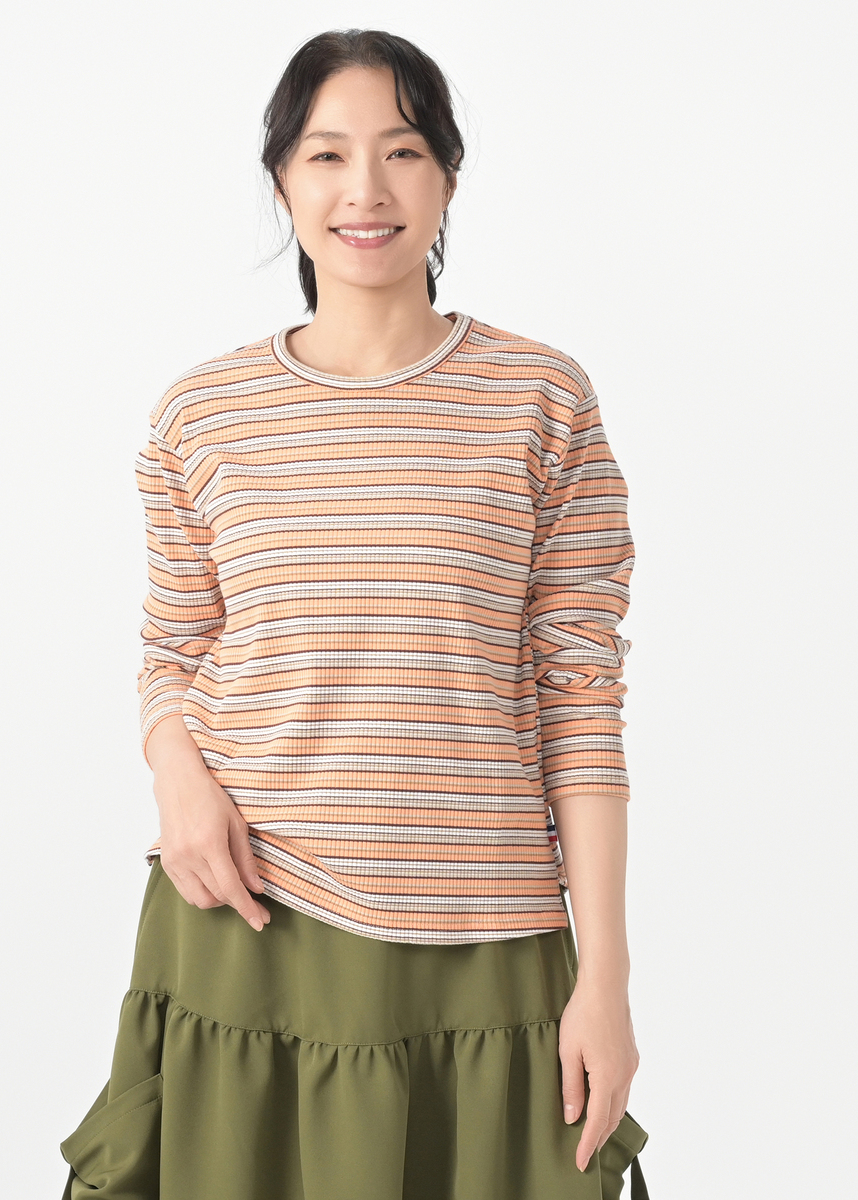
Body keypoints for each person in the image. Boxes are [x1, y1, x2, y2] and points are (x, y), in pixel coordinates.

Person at [60, 28, 649, 1200]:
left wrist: (606, 978)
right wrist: (178, 779)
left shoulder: (542, 399)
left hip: (484, 945)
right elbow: (174, 647)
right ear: (283, 180)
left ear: (448, 177)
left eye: (403, 151)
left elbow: (581, 693)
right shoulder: (202, 414)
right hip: (250, 931)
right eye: (327, 155)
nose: (365, 189)